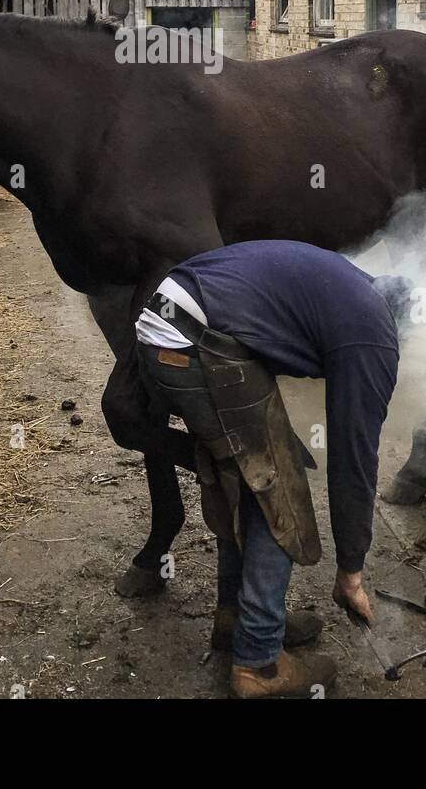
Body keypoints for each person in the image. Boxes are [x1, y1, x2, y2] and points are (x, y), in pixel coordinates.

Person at [135, 239, 402, 699]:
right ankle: (258, 662)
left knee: (238, 473)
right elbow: (353, 461)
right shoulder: (373, 333)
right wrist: (350, 573)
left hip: (161, 321)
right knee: (277, 487)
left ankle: (235, 616)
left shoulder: (351, 286)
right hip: (196, 339)